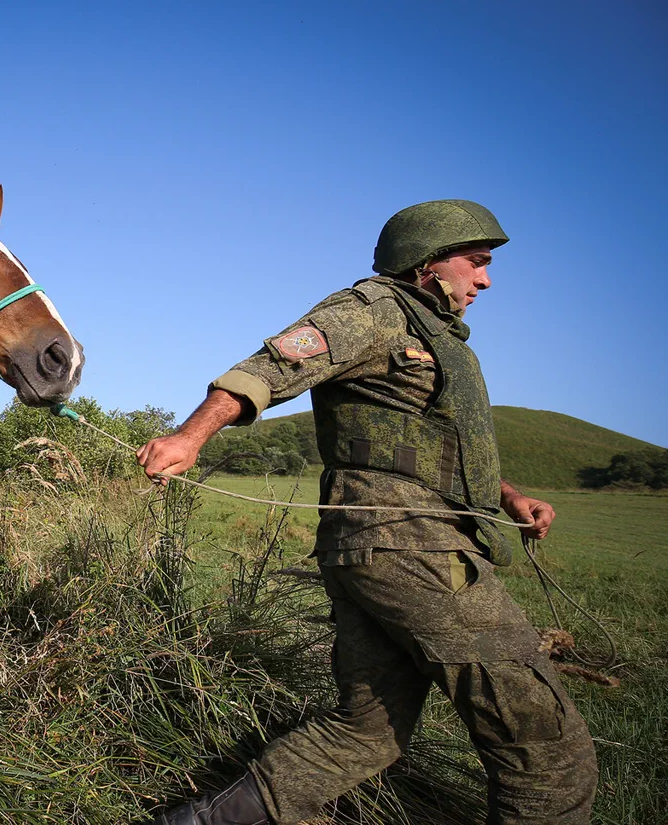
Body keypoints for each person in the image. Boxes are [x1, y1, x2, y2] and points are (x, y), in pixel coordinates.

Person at [137, 200, 598, 825]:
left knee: (366, 732)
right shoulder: (375, 310)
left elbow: (437, 444)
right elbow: (268, 368)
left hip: (382, 550)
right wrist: (190, 437)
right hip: (415, 547)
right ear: (429, 260)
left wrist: (508, 496)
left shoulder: (434, 335)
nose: (486, 280)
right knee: (545, 745)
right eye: (476, 262)